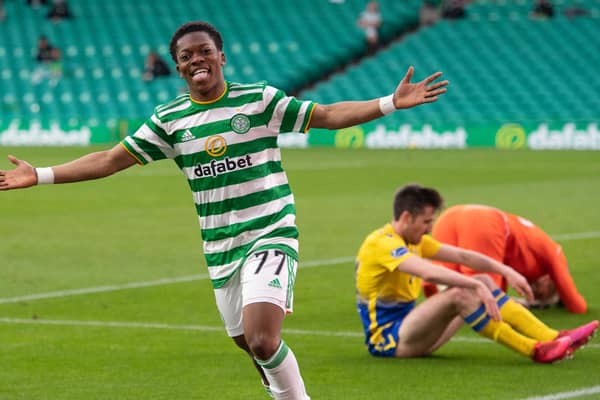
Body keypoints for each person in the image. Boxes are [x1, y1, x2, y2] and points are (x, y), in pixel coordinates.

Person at [0, 21, 449, 400]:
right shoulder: (169, 120)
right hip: (220, 247)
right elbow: (110, 159)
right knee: (249, 345)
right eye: (187, 56)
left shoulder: (259, 101)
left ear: (221, 57)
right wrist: (40, 174)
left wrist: (390, 103)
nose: (197, 60)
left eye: (205, 52)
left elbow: (328, 114)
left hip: (270, 232)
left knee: (262, 337)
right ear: (177, 66)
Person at [355, 184, 598, 363]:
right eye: (426, 222)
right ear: (406, 217)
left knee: (480, 279)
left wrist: (506, 271)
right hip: (389, 340)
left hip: (413, 331)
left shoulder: (414, 240)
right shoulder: (382, 244)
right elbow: (429, 273)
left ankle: (555, 337)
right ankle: (535, 350)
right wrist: (476, 287)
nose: (430, 228)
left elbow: (464, 256)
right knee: (464, 291)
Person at [426, 204, 588, 314]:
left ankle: (430, 312)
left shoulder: (527, 260)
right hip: (485, 221)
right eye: (545, 293)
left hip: (449, 217)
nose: (537, 292)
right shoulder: (555, 254)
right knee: (486, 297)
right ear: (554, 283)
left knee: (444, 278)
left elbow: (500, 271)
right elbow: (576, 303)